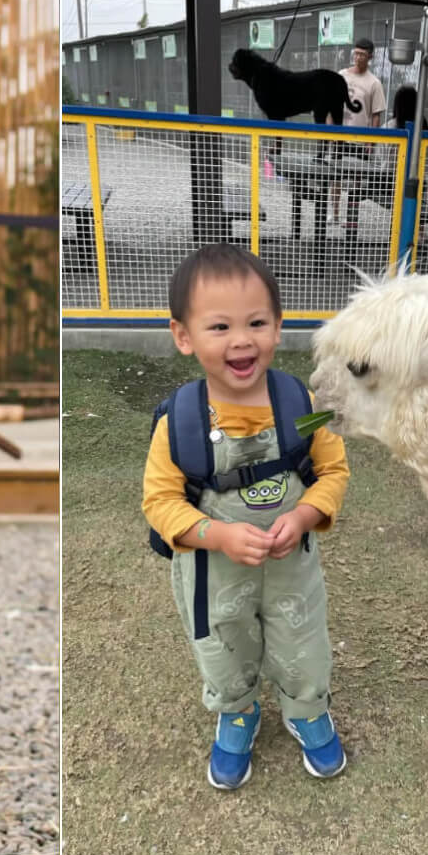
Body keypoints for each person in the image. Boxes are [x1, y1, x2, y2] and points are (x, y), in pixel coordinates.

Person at [142, 244, 351, 789]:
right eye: (219, 327)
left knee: (303, 641)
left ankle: (308, 710)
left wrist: (306, 514)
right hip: (214, 574)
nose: (241, 340)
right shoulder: (179, 421)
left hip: (290, 569)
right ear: (183, 336)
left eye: (256, 322)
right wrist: (216, 534)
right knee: (223, 646)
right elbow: (160, 502)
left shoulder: (303, 403)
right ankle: (237, 711)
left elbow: (334, 469)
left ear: (278, 328)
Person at [331, 37, 387, 223]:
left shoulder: (374, 83)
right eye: (356, 53)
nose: (358, 57)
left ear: (370, 57)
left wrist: (371, 140)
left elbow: (376, 114)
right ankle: (335, 212)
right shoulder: (341, 75)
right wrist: (330, 131)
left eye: (362, 54)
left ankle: (351, 217)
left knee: (356, 179)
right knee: (335, 176)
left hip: (361, 139)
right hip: (340, 136)